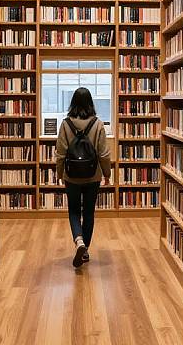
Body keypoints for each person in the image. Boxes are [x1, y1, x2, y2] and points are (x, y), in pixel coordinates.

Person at [56, 87, 111, 268]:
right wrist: (107, 174)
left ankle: (78, 240)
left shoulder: (65, 124)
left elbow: (60, 153)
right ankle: (85, 248)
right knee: (88, 212)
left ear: (73, 103)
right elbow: (103, 153)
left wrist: (59, 173)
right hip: (92, 175)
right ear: (91, 103)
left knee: (73, 210)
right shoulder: (98, 124)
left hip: (71, 176)